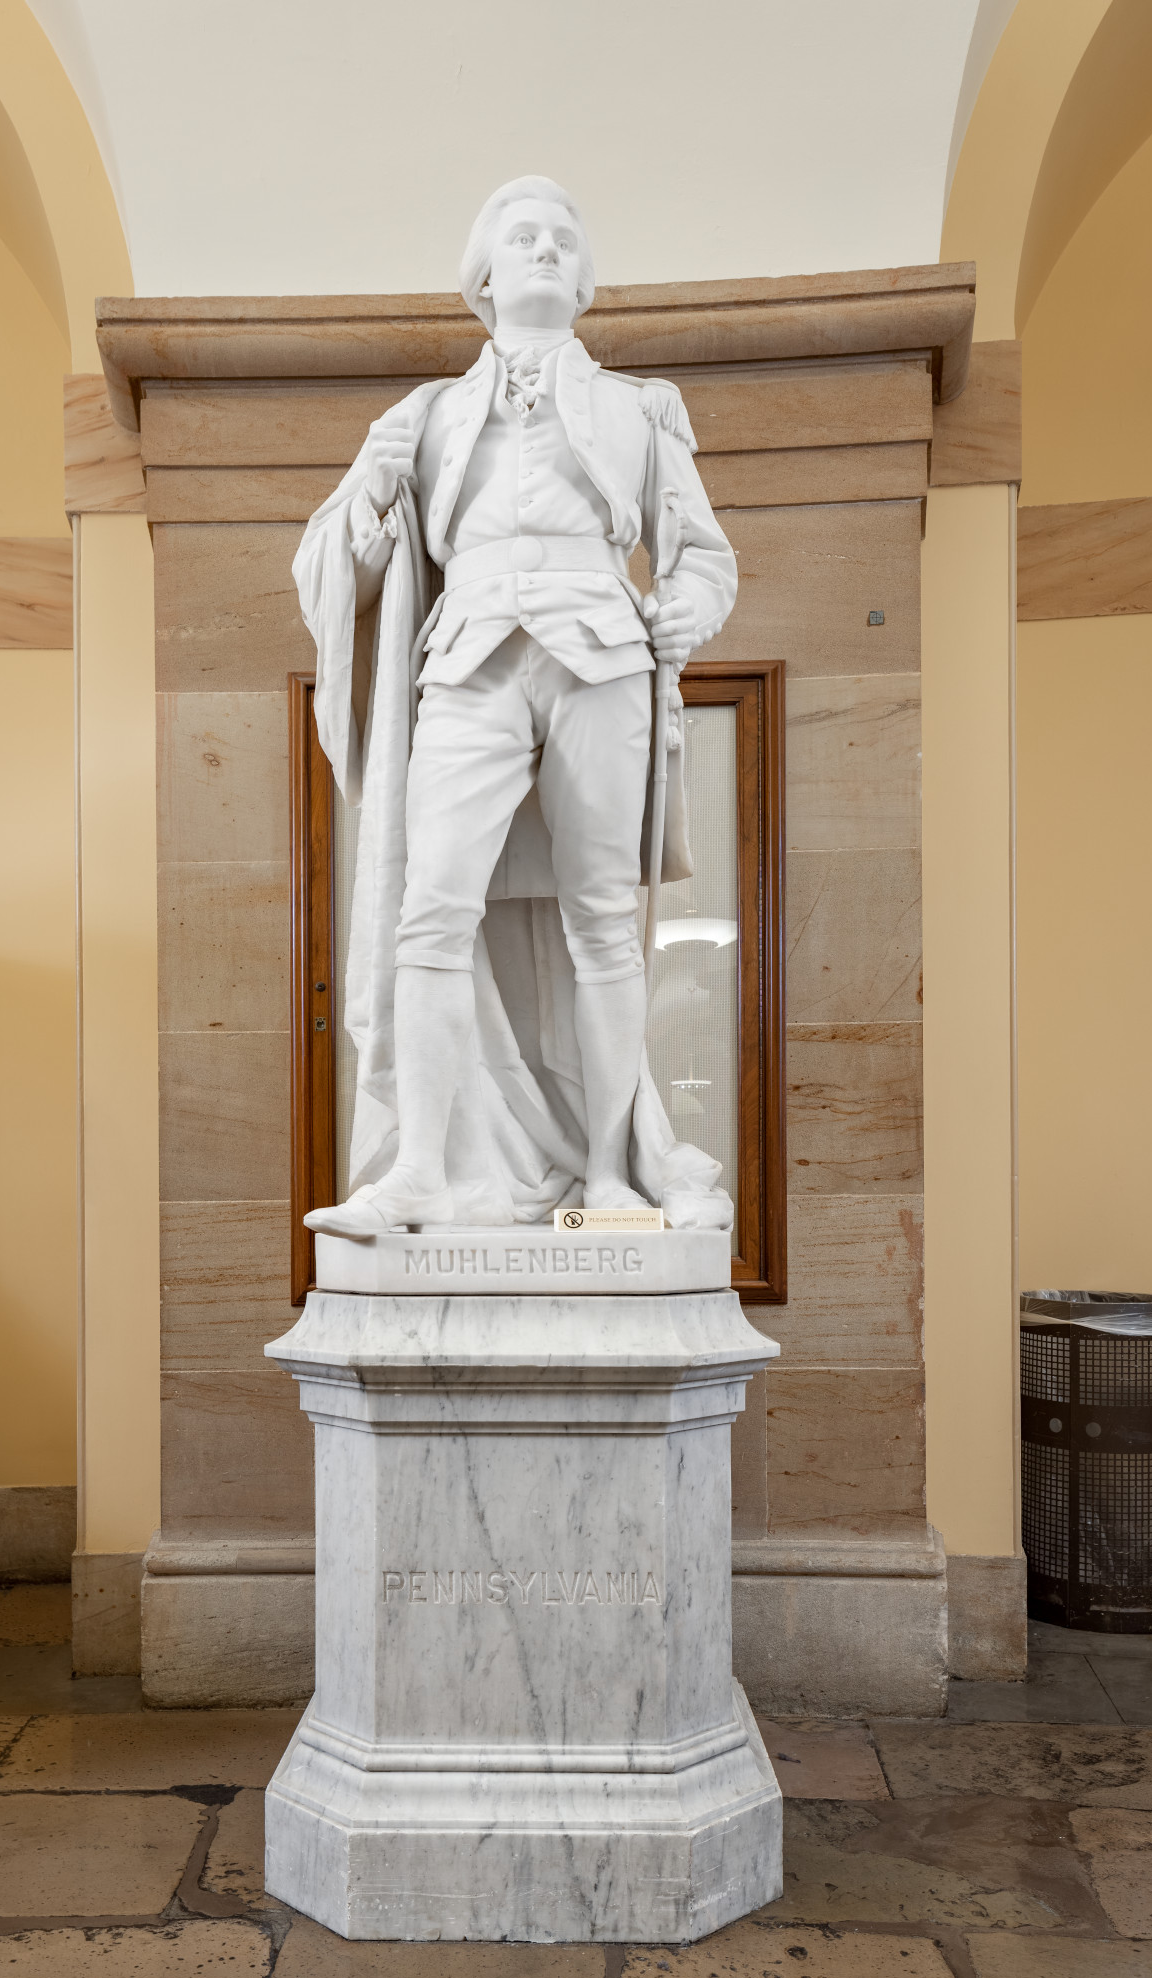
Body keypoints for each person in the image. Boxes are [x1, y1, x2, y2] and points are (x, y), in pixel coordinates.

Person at [297, 175, 737, 1239]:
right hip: (470, 656)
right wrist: (366, 502)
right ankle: (417, 1170)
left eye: (561, 240)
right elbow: (352, 566)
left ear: (583, 283)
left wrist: (681, 609)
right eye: (521, 237)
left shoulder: (641, 409)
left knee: (602, 923)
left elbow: (705, 560)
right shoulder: (427, 415)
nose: (543, 249)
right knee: (429, 909)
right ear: (483, 280)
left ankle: (605, 1174)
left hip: (599, 654)